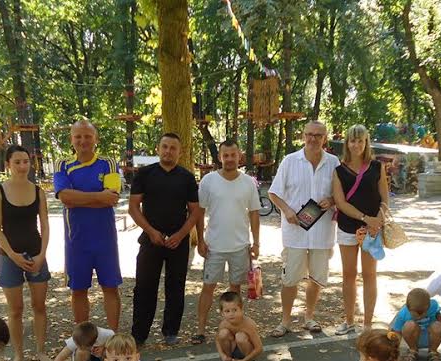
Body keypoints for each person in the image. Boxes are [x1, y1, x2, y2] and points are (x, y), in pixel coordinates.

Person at [267, 121, 340, 336]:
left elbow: (342, 195)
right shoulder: (290, 161)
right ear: (303, 136)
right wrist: (287, 211)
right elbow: (273, 192)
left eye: (318, 135)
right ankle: (285, 321)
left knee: (316, 278)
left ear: (325, 138)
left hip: (322, 233)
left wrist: (332, 199)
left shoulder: (334, 163)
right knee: (290, 279)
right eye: (309, 134)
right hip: (295, 233)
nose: (313, 139)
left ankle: (309, 317)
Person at [128, 133, 199, 346]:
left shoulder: (186, 177)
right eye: (165, 147)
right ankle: (139, 334)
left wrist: (181, 235)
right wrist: (150, 231)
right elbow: (133, 207)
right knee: (144, 287)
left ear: (180, 151)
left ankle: (170, 331)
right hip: (151, 240)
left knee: (175, 286)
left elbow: (195, 211)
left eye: (173, 148)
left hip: (178, 242)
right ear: (158, 149)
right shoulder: (144, 174)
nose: (168, 151)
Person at [54, 120, 122, 331]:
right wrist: (98, 197)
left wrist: (79, 197)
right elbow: (64, 197)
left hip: (105, 239)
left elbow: (111, 198)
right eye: (78, 136)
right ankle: (83, 339)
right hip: (76, 240)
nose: (83, 141)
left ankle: (113, 336)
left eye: (87, 136)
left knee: (110, 287)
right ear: (71, 139)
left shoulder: (108, 163)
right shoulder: (62, 165)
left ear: (96, 139)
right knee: (78, 290)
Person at [191, 140, 261, 344]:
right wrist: (201, 240)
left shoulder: (248, 182)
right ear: (220, 157)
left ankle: (234, 328)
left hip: (240, 246)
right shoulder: (208, 181)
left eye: (233, 155)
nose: (229, 159)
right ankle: (201, 329)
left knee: (235, 290)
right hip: (214, 246)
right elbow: (199, 212)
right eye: (225, 155)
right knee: (208, 287)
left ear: (239, 156)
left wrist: (256, 243)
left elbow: (255, 213)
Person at [0, 144, 51, 361]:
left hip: (36, 254)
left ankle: (41, 350)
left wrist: (42, 254)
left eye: (26, 161)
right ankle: (18, 355)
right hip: (9, 257)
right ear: (8, 165)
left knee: (39, 306)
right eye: (17, 162)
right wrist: (13, 256)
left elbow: (44, 225)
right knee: (15, 310)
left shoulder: (38, 191)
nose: (22, 166)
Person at [332, 124, 389, 335]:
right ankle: (349, 320)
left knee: (369, 274)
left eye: (360, 140)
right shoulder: (339, 171)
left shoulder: (376, 167)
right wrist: (365, 218)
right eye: (352, 140)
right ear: (347, 143)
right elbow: (340, 202)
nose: (356, 145)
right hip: (348, 228)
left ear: (366, 143)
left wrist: (378, 219)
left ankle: (367, 323)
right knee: (348, 274)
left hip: (372, 230)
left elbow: (384, 198)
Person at [44, 321, 114, 361]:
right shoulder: (78, 338)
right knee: (81, 352)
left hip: (101, 360)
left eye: (83, 346)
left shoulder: (107, 334)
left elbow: (119, 343)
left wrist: (104, 347)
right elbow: (62, 355)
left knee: (111, 349)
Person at [390, 288, 441, 361]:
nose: (420, 316)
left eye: (423, 312)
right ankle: (413, 350)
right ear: (408, 308)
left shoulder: (434, 305)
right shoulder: (403, 314)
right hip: (413, 338)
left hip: (430, 337)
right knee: (409, 325)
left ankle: (433, 351)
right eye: (416, 313)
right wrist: (393, 350)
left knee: (438, 325)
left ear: (428, 306)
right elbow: (396, 332)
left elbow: (439, 317)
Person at [215, 291, 263, 361]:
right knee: (223, 333)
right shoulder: (223, 324)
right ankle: (228, 359)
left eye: (234, 310)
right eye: (227, 311)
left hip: (246, 350)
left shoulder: (248, 324)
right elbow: (217, 340)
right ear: (222, 313)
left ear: (241, 309)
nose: (231, 314)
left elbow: (259, 348)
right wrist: (222, 355)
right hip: (232, 348)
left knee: (240, 336)